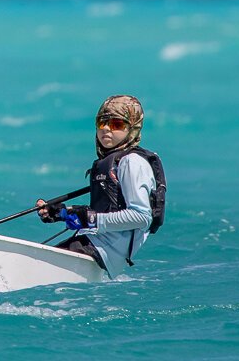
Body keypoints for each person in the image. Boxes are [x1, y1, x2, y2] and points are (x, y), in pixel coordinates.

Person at [37, 94, 165, 277]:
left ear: (133, 129)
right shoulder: (113, 161)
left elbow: (141, 217)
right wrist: (62, 213)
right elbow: (108, 210)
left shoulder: (132, 162)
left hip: (103, 250)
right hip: (95, 244)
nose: (106, 129)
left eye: (117, 125)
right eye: (102, 123)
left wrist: (92, 219)